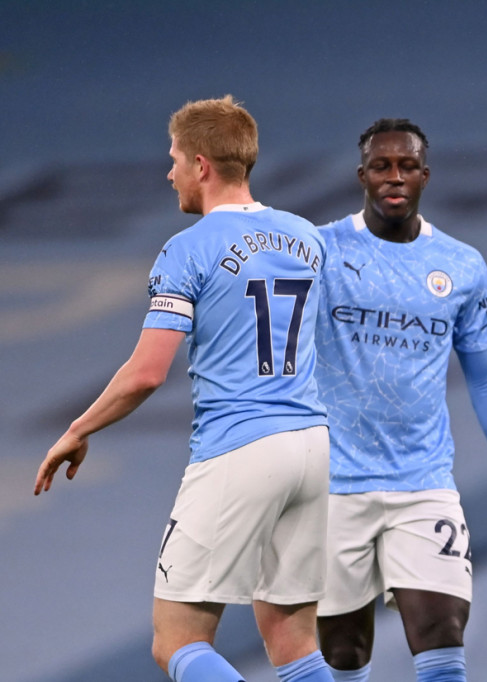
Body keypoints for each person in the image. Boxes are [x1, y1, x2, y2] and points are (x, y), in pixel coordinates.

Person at [34, 96, 334, 682]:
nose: (166, 171)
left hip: (239, 450)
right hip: (312, 446)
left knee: (176, 641)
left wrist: (78, 428)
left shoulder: (188, 249)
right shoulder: (306, 238)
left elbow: (148, 372)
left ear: (201, 165)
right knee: (294, 642)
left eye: (172, 158)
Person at [314, 118, 487, 682]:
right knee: (342, 654)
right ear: (361, 176)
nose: (395, 177)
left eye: (407, 166)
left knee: (442, 630)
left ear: (425, 175)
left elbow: (486, 378)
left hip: (423, 483)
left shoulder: (462, 266)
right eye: (382, 166)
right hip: (330, 485)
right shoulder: (317, 251)